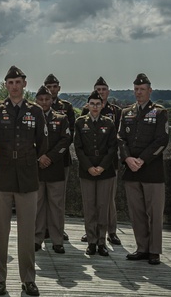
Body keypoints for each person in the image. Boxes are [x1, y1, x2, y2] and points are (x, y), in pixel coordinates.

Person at [0, 65, 47, 297]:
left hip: (27, 176)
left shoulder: (35, 111)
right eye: (10, 83)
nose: (14, 86)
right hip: (3, 175)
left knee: (27, 232)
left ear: (24, 84)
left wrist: (29, 158)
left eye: (18, 82)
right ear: (5, 85)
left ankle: (28, 279)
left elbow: (43, 143)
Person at [119, 73, 169, 264]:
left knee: (154, 213)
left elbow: (162, 140)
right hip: (131, 170)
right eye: (136, 89)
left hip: (152, 170)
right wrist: (128, 158)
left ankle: (154, 250)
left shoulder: (159, 112)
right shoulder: (127, 113)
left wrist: (142, 159)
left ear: (150, 91)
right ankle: (142, 248)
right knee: (137, 212)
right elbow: (120, 138)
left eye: (142, 89)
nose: (138, 93)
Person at [80, 75, 125, 246]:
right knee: (91, 202)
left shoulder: (115, 111)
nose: (101, 92)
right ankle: (91, 233)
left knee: (108, 201)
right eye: (98, 90)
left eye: (103, 90)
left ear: (108, 91)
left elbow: (119, 137)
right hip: (91, 163)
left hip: (109, 162)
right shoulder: (86, 111)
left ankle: (111, 232)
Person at [73, 91, 118, 257]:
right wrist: (89, 167)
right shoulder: (80, 122)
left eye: (98, 104)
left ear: (102, 105)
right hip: (87, 171)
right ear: (88, 105)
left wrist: (102, 167)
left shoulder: (109, 123)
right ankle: (91, 241)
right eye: (92, 104)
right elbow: (78, 147)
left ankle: (101, 242)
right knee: (89, 207)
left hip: (105, 171)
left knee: (103, 207)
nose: (95, 107)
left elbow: (113, 147)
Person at [34, 85, 71, 254]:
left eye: (47, 99)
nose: (44, 102)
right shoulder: (31, 118)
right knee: (38, 205)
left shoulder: (61, 118)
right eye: (40, 100)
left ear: (51, 100)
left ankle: (57, 240)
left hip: (55, 168)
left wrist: (49, 157)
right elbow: (27, 140)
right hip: (37, 169)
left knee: (56, 206)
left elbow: (65, 140)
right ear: (36, 101)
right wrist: (39, 157)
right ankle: (37, 238)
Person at [44, 73, 75, 241]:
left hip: (61, 159)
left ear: (59, 88)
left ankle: (58, 229)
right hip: (41, 160)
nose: (52, 90)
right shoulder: (38, 106)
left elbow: (70, 134)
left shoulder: (67, 107)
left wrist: (53, 155)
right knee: (42, 199)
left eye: (54, 87)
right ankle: (44, 228)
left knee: (58, 198)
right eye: (49, 87)